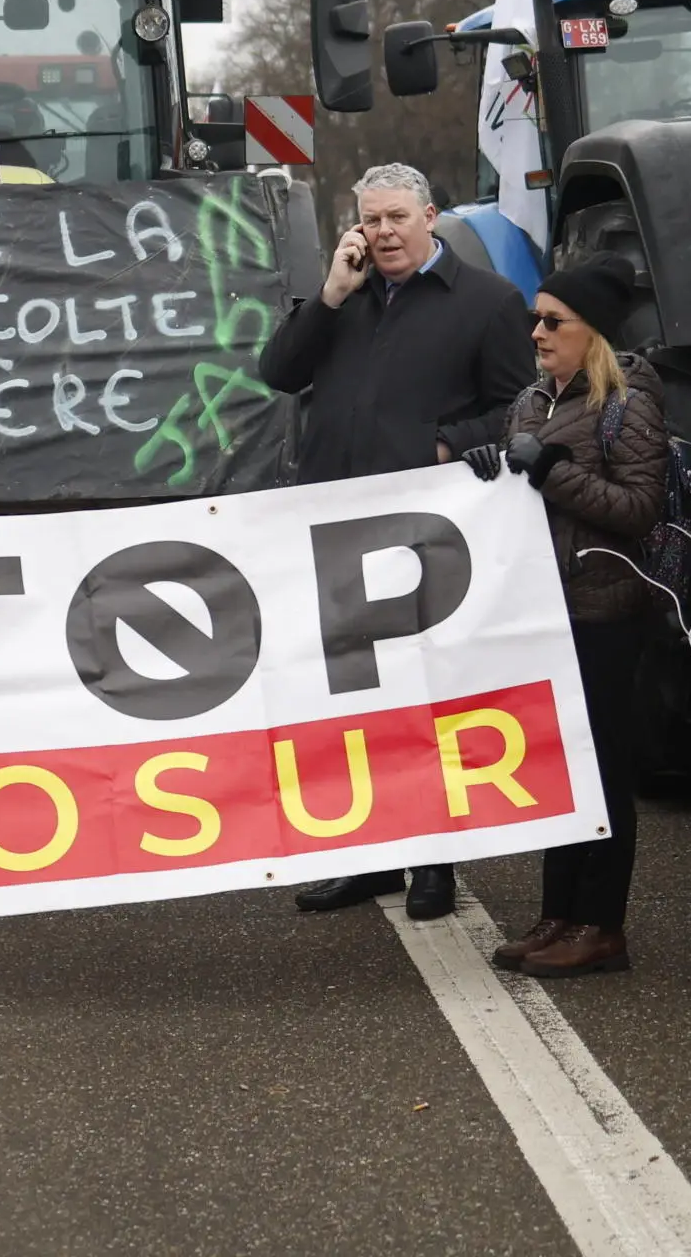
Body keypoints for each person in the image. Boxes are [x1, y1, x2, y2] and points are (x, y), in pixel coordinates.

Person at [259, 161, 537, 923]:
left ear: (431, 217)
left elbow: (520, 407)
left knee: (424, 700)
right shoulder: (342, 299)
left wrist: (449, 443)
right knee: (350, 700)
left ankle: (433, 864)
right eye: (371, 220)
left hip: (422, 535)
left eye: (397, 219)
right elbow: (278, 373)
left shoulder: (487, 303)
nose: (383, 233)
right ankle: (366, 857)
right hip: (331, 528)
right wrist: (329, 296)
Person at [459, 253, 668, 978]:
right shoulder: (531, 402)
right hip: (549, 615)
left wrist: (549, 469)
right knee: (563, 769)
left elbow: (640, 511)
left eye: (554, 322)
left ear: (593, 333)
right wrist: (495, 465)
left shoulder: (627, 403)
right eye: (534, 321)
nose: (538, 333)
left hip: (606, 613)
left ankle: (601, 924)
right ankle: (560, 912)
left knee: (604, 770)